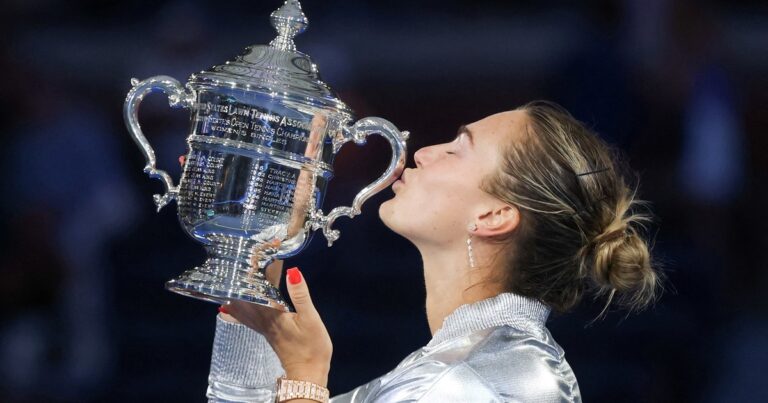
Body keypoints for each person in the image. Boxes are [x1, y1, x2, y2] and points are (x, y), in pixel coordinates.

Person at [204, 101, 663, 402]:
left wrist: (305, 377)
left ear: (494, 216)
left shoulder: (485, 382)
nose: (424, 153)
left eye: (457, 150)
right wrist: (261, 241)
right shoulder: (458, 368)